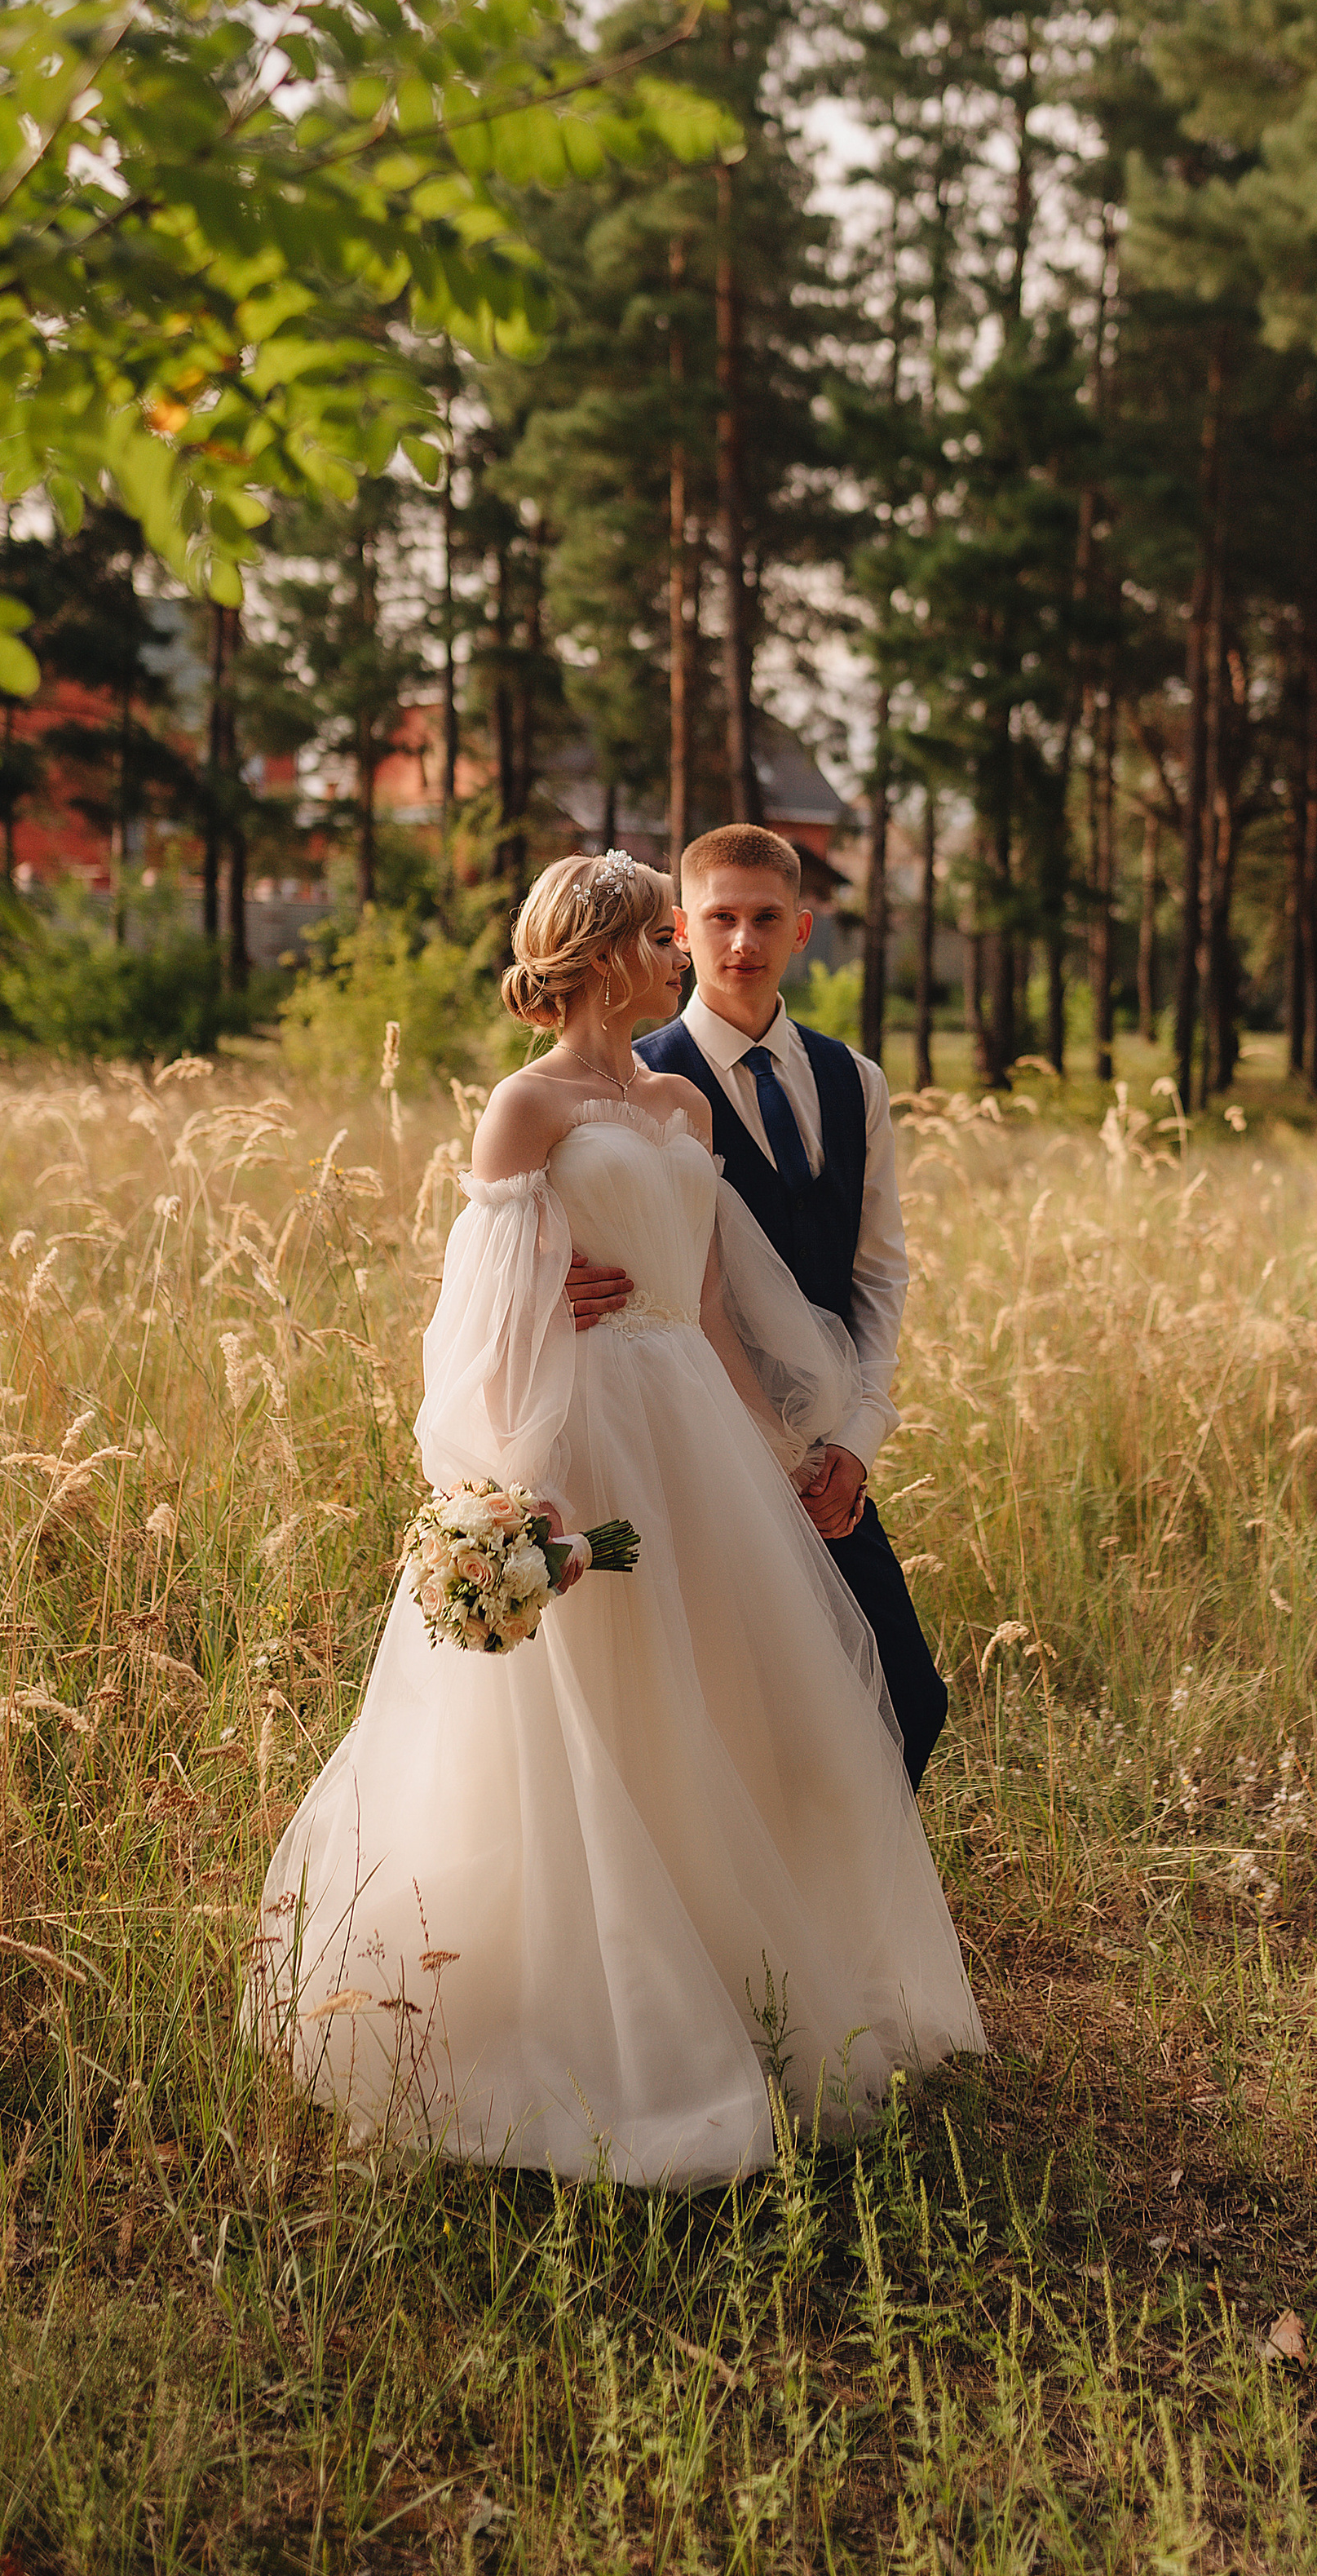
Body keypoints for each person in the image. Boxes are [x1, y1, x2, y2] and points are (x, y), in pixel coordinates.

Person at [250, 849, 982, 2184]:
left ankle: (729, 1986)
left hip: (688, 1427)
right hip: (579, 1431)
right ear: (602, 954)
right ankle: (578, 2020)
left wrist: (767, 1459)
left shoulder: (678, 1112)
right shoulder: (522, 1110)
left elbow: (702, 1305)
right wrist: (516, 1451)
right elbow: (472, 1321)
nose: (678, 951)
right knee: (583, 1718)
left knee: (720, 1705)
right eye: (660, 932)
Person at [580, 824, 950, 1788]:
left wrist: (857, 1444)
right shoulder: (630, 1079)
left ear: (803, 928)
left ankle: (854, 1923)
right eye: (720, 919)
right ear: (678, 930)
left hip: (823, 1452)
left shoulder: (853, 1080)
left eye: (765, 919)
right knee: (735, 1712)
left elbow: (879, 1274)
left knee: (906, 1697)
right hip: (688, 1444)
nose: (742, 942)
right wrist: (549, 1282)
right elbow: (531, 1234)